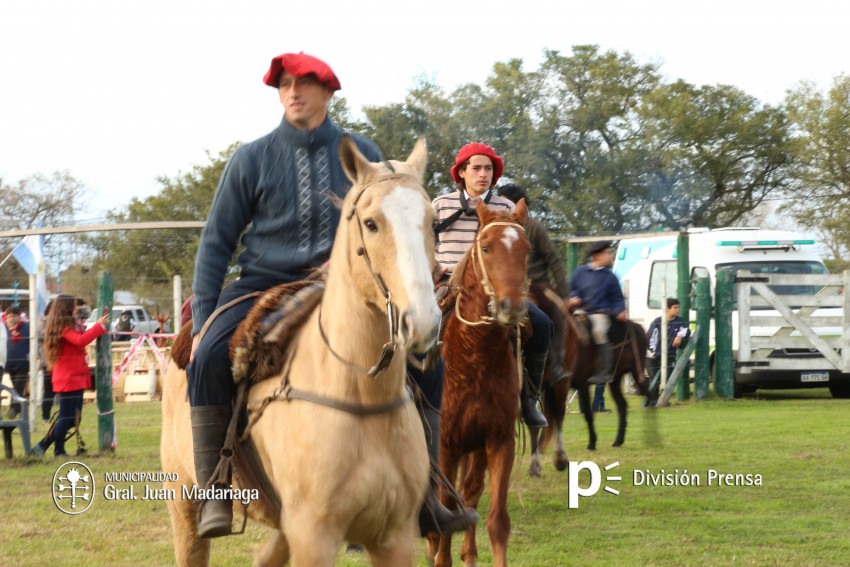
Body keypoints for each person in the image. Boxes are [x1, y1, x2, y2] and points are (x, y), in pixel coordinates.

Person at [187, 52, 475, 538]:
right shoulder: (250, 158)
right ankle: (214, 494)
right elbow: (216, 243)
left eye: (303, 84)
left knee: (429, 359)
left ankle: (425, 492)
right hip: (262, 281)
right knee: (208, 356)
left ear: (328, 92)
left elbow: (394, 228)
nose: (292, 92)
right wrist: (200, 324)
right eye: (284, 85)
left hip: (346, 282)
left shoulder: (365, 152)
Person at [432, 143, 552, 428]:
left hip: (495, 288)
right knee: (416, 324)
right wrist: (437, 268)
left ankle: (528, 398)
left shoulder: (507, 207)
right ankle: (412, 391)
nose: (483, 174)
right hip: (449, 285)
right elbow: (424, 247)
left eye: (488, 169)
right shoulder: (440, 205)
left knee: (543, 324)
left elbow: (517, 251)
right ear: (462, 172)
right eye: (476, 168)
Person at [497, 184, 571, 384]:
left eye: (507, 204)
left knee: (554, 315)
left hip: (537, 283)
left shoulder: (533, 227)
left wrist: (563, 294)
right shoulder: (497, 227)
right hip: (506, 284)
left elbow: (554, 259)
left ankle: (555, 364)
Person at [31, 296, 109, 457]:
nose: (76, 310)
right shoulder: (63, 329)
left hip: (74, 378)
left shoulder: (68, 326)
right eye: (73, 307)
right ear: (65, 309)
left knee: (73, 418)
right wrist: (98, 326)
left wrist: (99, 326)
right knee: (66, 418)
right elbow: (80, 341)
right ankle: (58, 450)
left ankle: (42, 446)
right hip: (68, 379)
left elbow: (81, 339)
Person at [568, 241, 627, 385]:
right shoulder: (580, 272)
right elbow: (572, 288)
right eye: (607, 253)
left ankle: (605, 372)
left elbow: (617, 297)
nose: (610, 256)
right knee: (570, 326)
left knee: (599, 331)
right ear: (597, 255)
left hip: (600, 313)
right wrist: (573, 298)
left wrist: (620, 310)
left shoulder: (610, 277)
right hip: (581, 310)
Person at [646, 298, 690, 405]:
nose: (677, 310)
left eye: (678, 307)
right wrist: (654, 353)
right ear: (667, 309)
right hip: (652, 356)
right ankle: (652, 401)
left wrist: (679, 336)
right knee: (654, 379)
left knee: (669, 377)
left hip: (669, 355)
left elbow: (686, 330)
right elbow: (651, 339)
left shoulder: (680, 321)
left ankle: (662, 400)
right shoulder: (657, 322)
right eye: (675, 307)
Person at [4, 307, 30, 419]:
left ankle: (14, 409)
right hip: (9, 364)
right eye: (9, 316)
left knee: (19, 386)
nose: (11, 319)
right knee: (14, 388)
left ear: (19, 317)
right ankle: (19, 409)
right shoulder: (4, 329)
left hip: (22, 364)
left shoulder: (26, 327)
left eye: (14, 316)